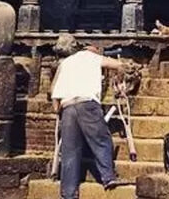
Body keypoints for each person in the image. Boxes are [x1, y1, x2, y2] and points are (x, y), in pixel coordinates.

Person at [50, 33, 131, 198]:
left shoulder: (65, 62)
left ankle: (69, 192)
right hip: (87, 104)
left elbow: (53, 91)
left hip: (68, 107)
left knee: (69, 151)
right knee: (101, 140)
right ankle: (108, 177)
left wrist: (57, 109)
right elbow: (119, 65)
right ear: (93, 49)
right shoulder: (92, 57)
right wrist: (119, 83)